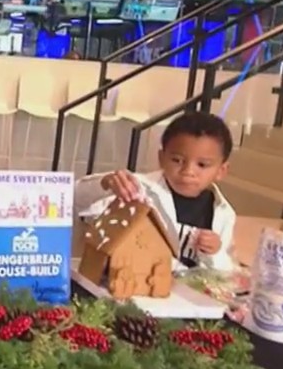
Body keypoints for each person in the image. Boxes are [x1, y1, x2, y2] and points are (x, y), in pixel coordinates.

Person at [75, 111, 237, 271]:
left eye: (202, 165)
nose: (188, 171)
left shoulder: (224, 214)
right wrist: (106, 183)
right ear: (161, 158)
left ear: (221, 170)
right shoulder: (136, 189)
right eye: (177, 160)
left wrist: (215, 252)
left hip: (184, 293)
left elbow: (225, 273)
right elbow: (74, 199)